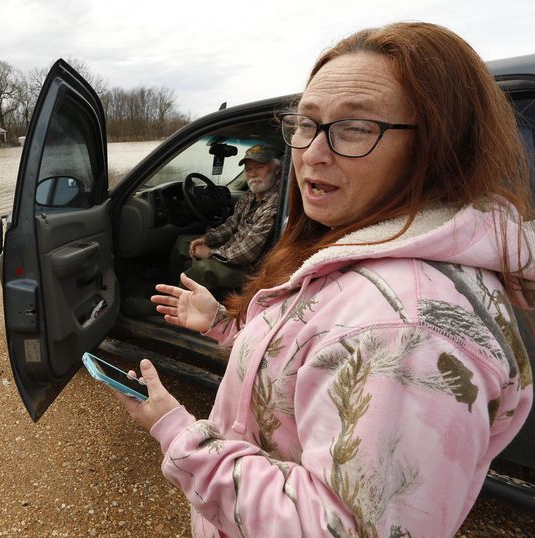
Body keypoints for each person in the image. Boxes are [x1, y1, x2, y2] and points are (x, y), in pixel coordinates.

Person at [113, 22, 534, 537]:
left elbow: (330, 528)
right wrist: (226, 325)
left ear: (438, 147)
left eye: (354, 128)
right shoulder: (360, 254)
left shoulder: (404, 332)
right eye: (306, 124)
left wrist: (175, 430)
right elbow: (313, 353)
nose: (312, 152)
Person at [168, 144, 282, 290]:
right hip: (232, 249)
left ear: (276, 169)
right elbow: (231, 225)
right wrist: (206, 239)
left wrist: (210, 253)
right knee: (183, 242)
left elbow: (247, 253)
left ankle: (174, 306)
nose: (253, 174)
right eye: (249, 169)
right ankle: (170, 289)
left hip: (251, 268)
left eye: (259, 167)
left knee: (203, 269)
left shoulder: (275, 203)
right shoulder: (251, 194)